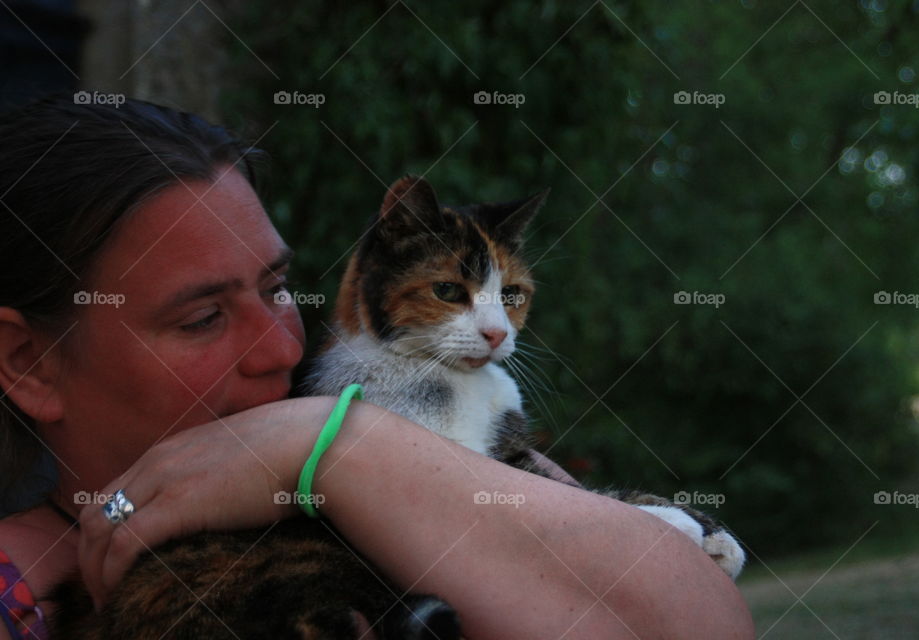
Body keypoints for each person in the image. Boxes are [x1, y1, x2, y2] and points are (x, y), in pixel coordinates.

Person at [0, 94, 754, 639]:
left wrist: (340, 452)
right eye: (202, 318)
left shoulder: (370, 454)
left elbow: (701, 622)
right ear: (27, 362)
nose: (284, 349)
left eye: (278, 289)